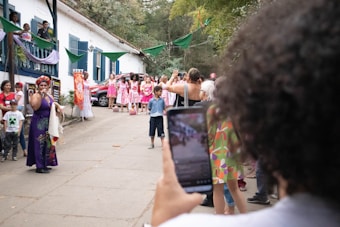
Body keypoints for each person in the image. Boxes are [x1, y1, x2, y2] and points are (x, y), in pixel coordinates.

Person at [149, 0, 340, 226]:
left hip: (215, 156)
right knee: (233, 189)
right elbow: (235, 134)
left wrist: (164, 218)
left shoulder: (205, 109)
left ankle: (224, 215)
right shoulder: (226, 112)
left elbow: (203, 135)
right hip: (229, 156)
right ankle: (240, 211)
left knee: (219, 191)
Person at [27, 75, 61, 173]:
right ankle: (39, 165)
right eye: (41, 85)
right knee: (39, 143)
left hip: (48, 122)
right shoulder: (36, 95)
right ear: (38, 86)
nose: (43, 87)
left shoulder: (50, 96)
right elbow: (35, 107)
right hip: (38, 122)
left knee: (48, 143)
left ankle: (46, 163)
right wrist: (41, 96)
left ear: (48, 86)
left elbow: (53, 106)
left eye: (45, 85)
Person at [15, 82, 27, 157]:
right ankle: (24, 150)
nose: (17, 88)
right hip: (18, 109)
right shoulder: (17, 93)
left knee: (20, 133)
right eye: (16, 87)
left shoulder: (19, 93)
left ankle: (24, 150)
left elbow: (15, 101)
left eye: (18, 87)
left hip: (18, 109)